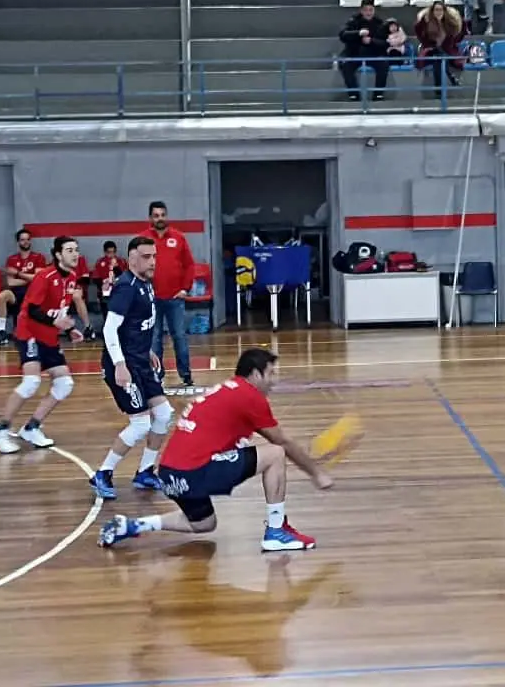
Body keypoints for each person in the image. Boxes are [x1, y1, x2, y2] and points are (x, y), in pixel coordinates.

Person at [97, 348, 332, 551]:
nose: (274, 381)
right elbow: (283, 442)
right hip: (193, 471)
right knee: (275, 454)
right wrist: (316, 472)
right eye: (270, 374)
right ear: (255, 374)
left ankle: (132, 526)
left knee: (203, 523)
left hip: (169, 475)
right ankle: (276, 531)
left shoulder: (226, 390)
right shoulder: (248, 395)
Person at [89, 236, 174, 498]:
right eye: (146, 257)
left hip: (140, 361)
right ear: (132, 259)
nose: (152, 262)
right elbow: (110, 329)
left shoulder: (146, 284)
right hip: (124, 364)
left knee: (164, 414)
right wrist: (120, 364)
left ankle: (145, 471)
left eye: (154, 256)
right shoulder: (126, 287)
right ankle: (103, 473)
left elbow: (135, 324)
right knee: (140, 423)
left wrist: (146, 350)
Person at [0, 236, 83, 454]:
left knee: (64, 384)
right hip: (28, 332)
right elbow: (31, 310)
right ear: (58, 254)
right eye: (69, 250)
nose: (75, 254)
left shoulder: (72, 277)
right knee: (31, 382)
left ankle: (31, 428)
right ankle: (0, 430)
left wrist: (69, 329)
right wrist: (55, 323)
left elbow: (60, 309)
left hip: (49, 336)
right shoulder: (44, 276)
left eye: (76, 250)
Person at [145, 201, 196, 387]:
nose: (160, 218)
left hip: (175, 298)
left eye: (162, 215)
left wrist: (185, 288)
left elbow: (189, 265)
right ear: (150, 218)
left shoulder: (179, 237)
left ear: (167, 216)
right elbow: (134, 266)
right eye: (156, 215)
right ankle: (156, 376)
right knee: (154, 339)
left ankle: (186, 375)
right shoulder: (143, 239)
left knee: (180, 337)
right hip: (152, 299)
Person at [0, 228, 47, 346]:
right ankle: (2, 332)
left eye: (27, 239)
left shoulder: (39, 257)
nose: (25, 242)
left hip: (33, 293)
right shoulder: (11, 259)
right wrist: (29, 279)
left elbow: (38, 279)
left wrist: (18, 273)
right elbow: (10, 282)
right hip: (16, 293)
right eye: (22, 240)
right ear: (18, 242)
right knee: (2, 295)